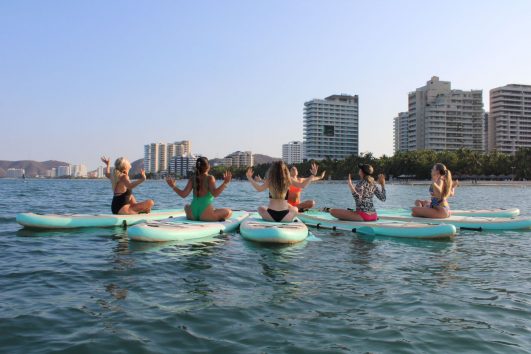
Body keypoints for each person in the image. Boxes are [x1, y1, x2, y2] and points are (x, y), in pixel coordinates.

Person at [246, 161, 319, 222]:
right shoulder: (288, 180)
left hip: (270, 216)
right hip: (286, 217)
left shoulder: (270, 181)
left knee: (260, 208)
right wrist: (312, 175)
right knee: (295, 209)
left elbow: (259, 189)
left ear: (272, 171)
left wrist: (250, 178)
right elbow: (302, 185)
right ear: (285, 171)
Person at [165, 157, 232, 221]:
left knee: (186, 206)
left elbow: (183, 195)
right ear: (208, 166)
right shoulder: (210, 178)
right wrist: (225, 183)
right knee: (229, 212)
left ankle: (209, 214)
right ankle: (214, 217)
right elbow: (215, 194)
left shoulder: (192, 178)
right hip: (206, 215)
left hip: (192, 215)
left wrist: (173, 186)